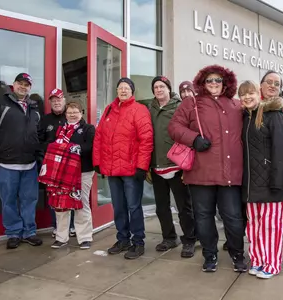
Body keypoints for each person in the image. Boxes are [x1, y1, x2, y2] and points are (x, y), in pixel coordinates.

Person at [168, 65, 246, 273]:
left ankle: (237, 253)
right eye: (209, 80)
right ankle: (209, 254)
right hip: (201, 172)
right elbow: (174, 127)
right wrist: (193, 139)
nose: (213, 84)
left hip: (231, 173)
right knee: (203, 216)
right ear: (202, 83)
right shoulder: (191, 103)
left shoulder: (237, 105)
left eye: (218, 80)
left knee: (233, 217)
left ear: (226, 83)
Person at [0, 73, 43, 249]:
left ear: (30, 87)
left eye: (27, 85)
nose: (23, 87)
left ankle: (29, 232)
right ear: (13, 85)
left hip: (29, 165)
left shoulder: (34, 107)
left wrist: (38, 157)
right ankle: (14, 233)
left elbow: (38, 135)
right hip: (5, 164)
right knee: (8, 201)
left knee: (29, 200)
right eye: (20, 83)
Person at [93, 77, 154, 260]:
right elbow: (99, 136)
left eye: (126, 88)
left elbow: (146, 140)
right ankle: (123, 239)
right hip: (112, 170)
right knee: (118, 207)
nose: (123, 91)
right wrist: (98, 162)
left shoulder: (139, 110)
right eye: (120, 88)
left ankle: (138, 242)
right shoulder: (109, 109)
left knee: (134, 207)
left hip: (131, 171)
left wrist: (142, 166)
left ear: (132, 91)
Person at [240, 80, 283, 279]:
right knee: (254, 225)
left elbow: (280, 150)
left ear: (259, 93)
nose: (247, 97)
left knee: (271, 226)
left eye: (250, 93)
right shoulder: (247, 117)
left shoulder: (274, 116)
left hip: (271, 184)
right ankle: (258, 260)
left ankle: (272, 263)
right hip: (252, 185)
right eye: (243, 94)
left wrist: (277, 182)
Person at [148, 76, 196, 258]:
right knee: (161, 207)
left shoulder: (179, 107)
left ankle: (190, 239)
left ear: (169, 89)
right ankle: (169, 237)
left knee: (184, 207)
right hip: (157, 166)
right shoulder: (150, 109)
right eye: (156, 87)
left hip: (176, 165)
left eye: (162, 86)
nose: (159, 90)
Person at [41, 102, 95, 250]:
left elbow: (90, 147)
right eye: (69, 112)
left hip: (82, 172)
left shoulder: (88, 129)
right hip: (60, 173)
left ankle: (84, 238)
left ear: (81, 113)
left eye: (75, 112)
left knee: (81, 204)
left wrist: (71, 148)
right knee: (61, 205)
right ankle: (61, 237)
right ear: (65, 114)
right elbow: (50, 145)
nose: (72, 114)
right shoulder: (60, 130)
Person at [39, 89, 75, 238]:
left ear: (64, 100)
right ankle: (57, 226)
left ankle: (72, 226)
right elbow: (38, 141)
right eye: (53, 100)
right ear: (50, 102)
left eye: (59, 99)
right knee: (53, 196)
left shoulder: (71, 117)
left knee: (71, 195)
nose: (56, 102)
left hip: (69, 165)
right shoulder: (45, 120)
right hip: (51, 166)